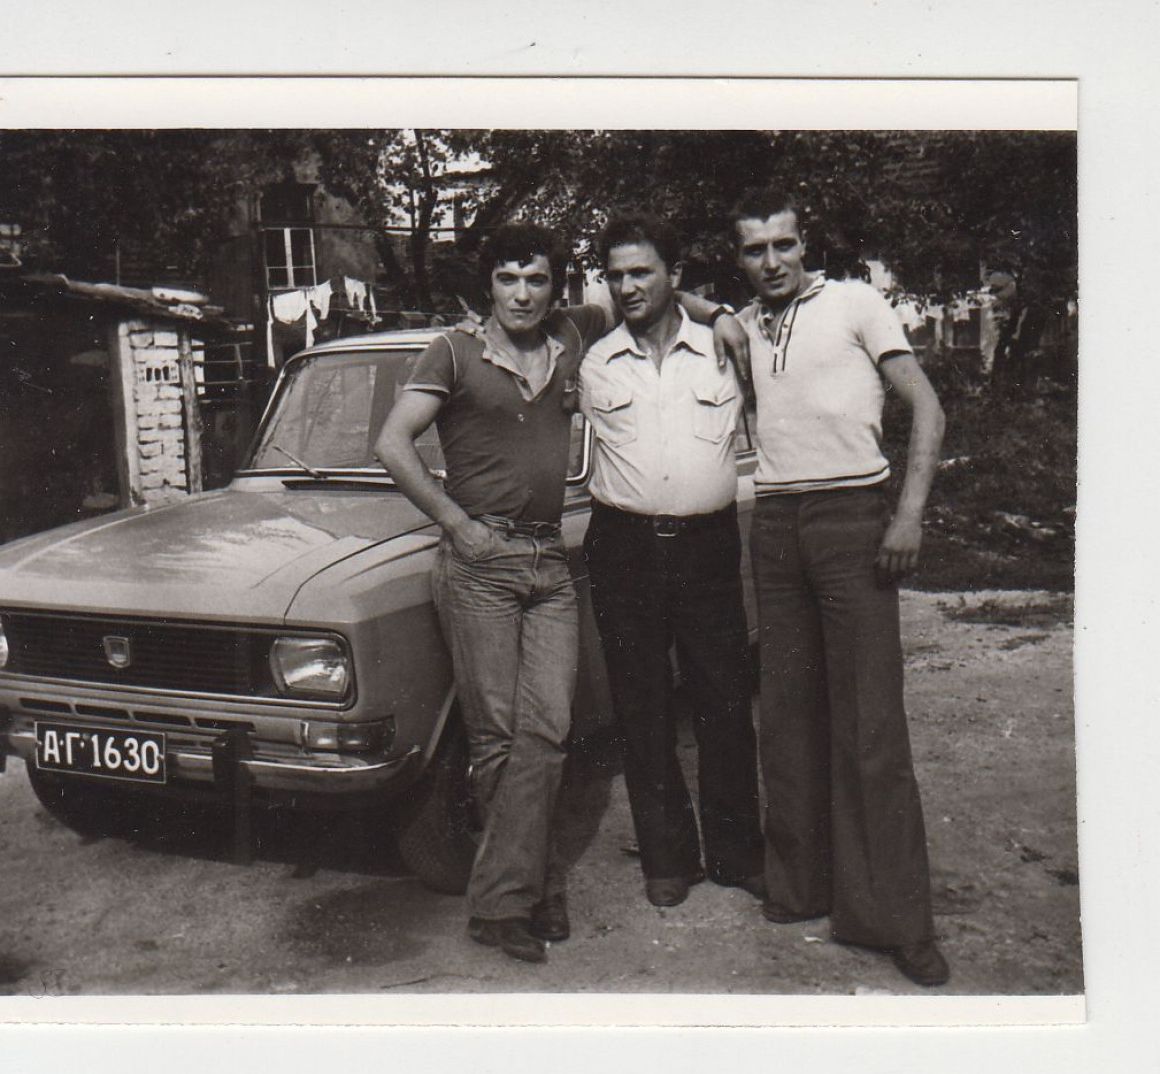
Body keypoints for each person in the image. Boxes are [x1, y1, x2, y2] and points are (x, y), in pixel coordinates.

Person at [376, 222, 750, 963]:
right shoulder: (451, 350)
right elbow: (392, 444)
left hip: (548, 561)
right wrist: (456, 522)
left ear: (555, 287)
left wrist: (723, 313)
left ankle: (518, 884)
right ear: (488, 284)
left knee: (548, 732)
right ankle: (522, 893)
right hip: (479, 562)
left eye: (537, 279)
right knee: (499, 736)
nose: (522, 293)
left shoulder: (575, 335)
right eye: (509, 279)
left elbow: (655, 293)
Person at [731, 187, 950, 987]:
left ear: (804, 243)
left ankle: (894, 918)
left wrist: (910, 515)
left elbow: (926, 408)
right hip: (777, 525)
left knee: (870, 724)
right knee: (786, 716)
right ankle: (800, 887)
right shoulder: (748, 322)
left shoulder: (857, 302)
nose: (771, 262)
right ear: (739, 258)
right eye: (754, 250)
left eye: (782, 246)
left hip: (853, 515)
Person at [579, 214, 766, 910]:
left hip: (706, 545)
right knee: (642, 705)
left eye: (642, 272)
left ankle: (738, 852)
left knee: (723, 698)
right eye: (616, 274)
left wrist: (714, 311)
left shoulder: (724, 346)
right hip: (622, 544)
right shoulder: (593, 357)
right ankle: (667, 857)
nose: (628, 286)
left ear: (673, 276)